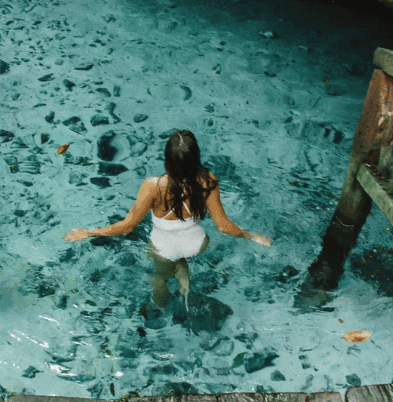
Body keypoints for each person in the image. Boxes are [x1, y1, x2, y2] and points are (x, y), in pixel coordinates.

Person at [63, 130, 271, 306]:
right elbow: (224, 226)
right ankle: (185, 286)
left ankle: (162, 311)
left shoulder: (153, 186)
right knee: (180, 258)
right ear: (196, 157)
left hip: (164, 247)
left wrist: (89, 232)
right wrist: (251, 236)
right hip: (197, 242)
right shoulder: (208, 181)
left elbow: (127, 226)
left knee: (160, 278)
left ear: (167, 160)